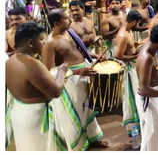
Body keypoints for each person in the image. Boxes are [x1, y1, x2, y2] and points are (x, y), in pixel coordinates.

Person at [42, 9, 107, 150]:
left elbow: (75, 50)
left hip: (83, 75)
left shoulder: (69, 32)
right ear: (56, 23)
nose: (70, 20)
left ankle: (93, 138)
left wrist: (91, 55)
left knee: (88, 110)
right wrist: (77, 71)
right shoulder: (50, 43)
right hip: (70, 81)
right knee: (75, 115)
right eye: (66, 18)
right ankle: (78, 146)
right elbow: (49, 72)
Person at [6, 22, 69, 151]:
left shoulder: (9, 61)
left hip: (20, 114)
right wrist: (62, 71)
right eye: (42, 40)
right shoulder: (31, 64)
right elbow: (56, 91)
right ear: (30, 43)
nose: (46, 43)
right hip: (36, 117)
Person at [114, 10, 143, 147]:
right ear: (133, 22)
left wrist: (138, 45)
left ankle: (139, 130)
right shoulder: (123, 35)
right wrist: (134, 57)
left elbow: (130, 47)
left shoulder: (129, 31)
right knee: (131, 101)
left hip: (133, 68)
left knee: (138, 100)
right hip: (128, 70)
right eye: (137, 23)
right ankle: (134, 136)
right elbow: (118, 55)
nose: (138, 26)